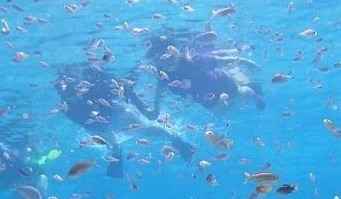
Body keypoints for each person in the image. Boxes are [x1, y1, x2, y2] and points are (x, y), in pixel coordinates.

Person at [54, 63, 195, 177]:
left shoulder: (69, 97)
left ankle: (116, 154)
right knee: (148, 129)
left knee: (116, 141)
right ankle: (177, 142)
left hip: (101, 127)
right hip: (115, 117)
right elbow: (119, 86)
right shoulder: (91, 79)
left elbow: (82, 118)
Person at [145, 30, 266, 113]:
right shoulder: (163, 74)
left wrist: (247, 62)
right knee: (220, 113)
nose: (166, 60)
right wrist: (155, 109)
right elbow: (159, 89)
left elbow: (221, 60)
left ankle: (254, 93)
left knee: (240, 93)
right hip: (206, 100)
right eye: (160, 59)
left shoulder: (192, 60)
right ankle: (238, 88)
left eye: (169, 56)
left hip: (221, 83)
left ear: (178, 51)